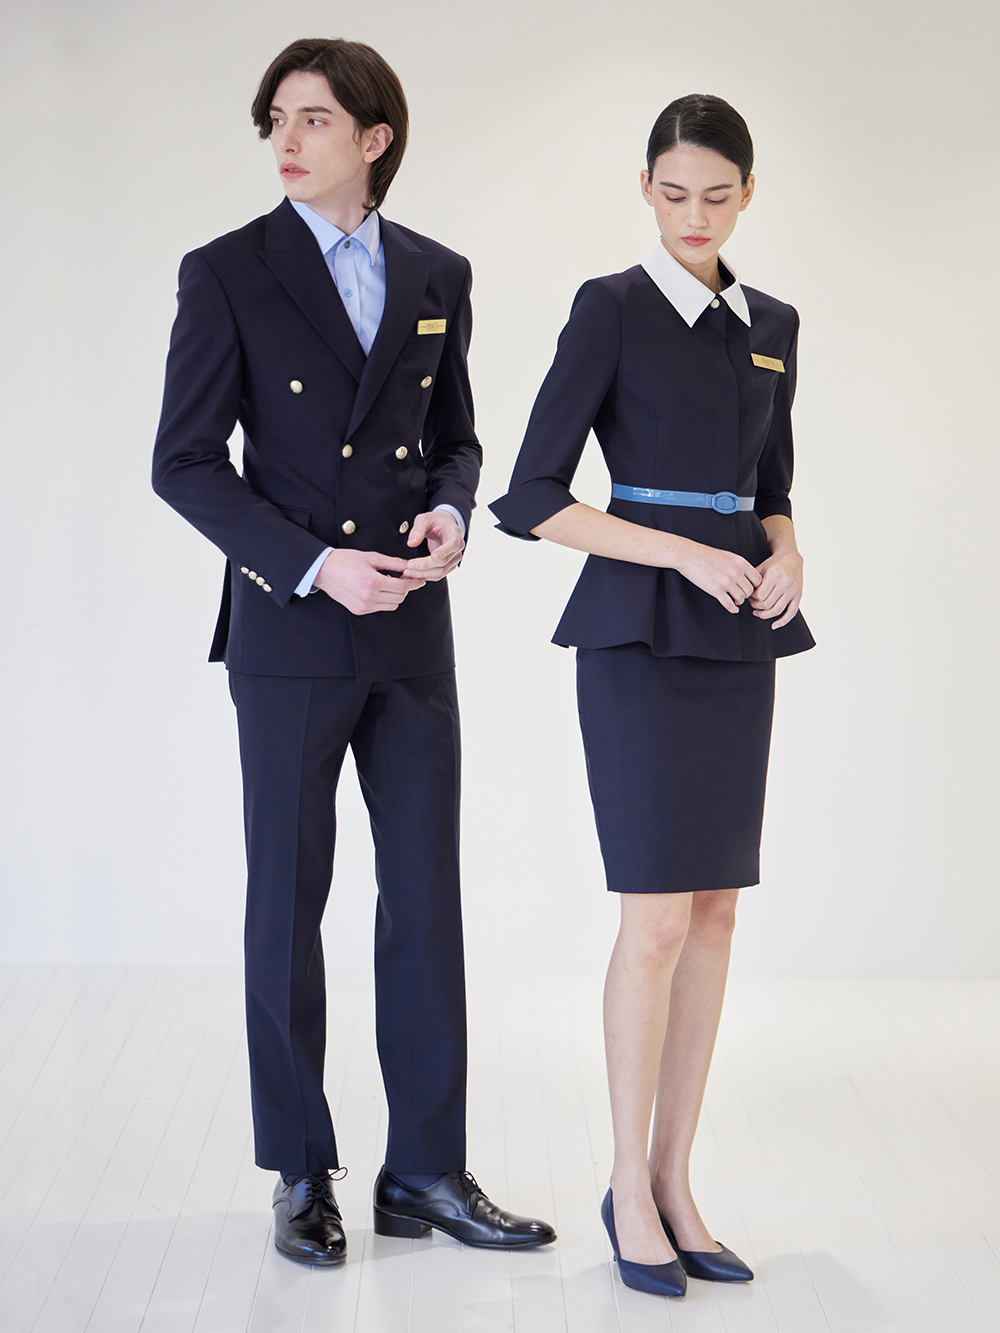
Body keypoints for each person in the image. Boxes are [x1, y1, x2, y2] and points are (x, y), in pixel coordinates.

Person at [152, 36, 555, 1267]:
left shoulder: (437, 271)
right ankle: (299, 1170)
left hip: (412, 635)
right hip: (289, 631)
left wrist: (450, 510)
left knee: (424, 898)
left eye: (315, 118)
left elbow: (455, 437)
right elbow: (183, 463)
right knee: (287, 904)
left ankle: (425, 1169)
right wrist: (317, 566)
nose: (286, 139)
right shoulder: (228, 271)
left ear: (375, 139)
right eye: (276, 117)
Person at [490, 94, 814, 1297]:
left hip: (740, 628)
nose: (694, 216)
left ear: (747, 193)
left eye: (716, 196)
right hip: (639, 628)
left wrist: (789, 550)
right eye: (673, 194)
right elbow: (530, 495)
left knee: (716, 912)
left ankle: (676, 1181)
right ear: (645, 188)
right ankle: (626, 1181)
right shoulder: (612, 306)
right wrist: (678, 552)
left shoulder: (771, 323)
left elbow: (771, 483)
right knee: (656, 920)